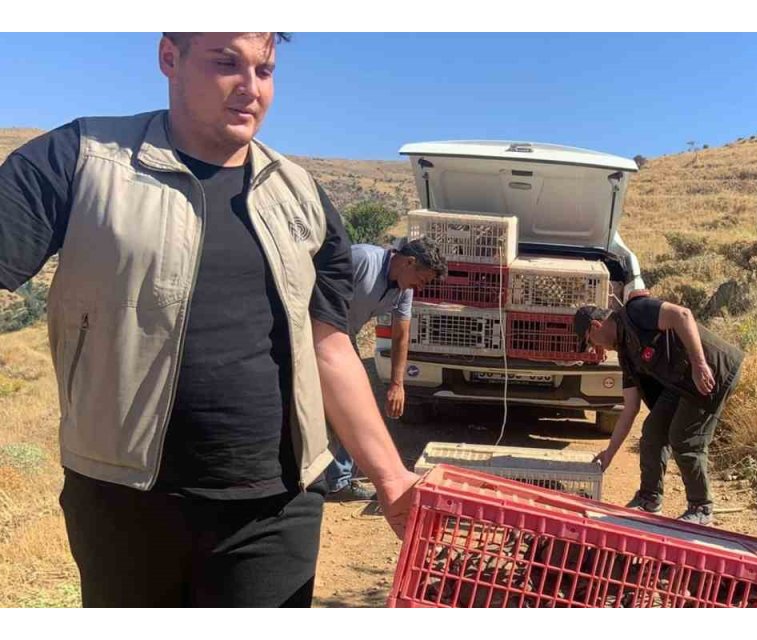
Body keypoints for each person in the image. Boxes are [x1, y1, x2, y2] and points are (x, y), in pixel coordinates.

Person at [0, 32, 420, 607]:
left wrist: (392, 480)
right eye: (227, 64)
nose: (250, 88)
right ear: (169, 58)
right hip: (123, 500)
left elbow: (329, 344)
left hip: (276, 506)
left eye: (265, 70)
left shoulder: (299, 195)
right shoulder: (82, 159)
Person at [575, 295, 744, 525]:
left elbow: (682, 315)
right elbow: (630, 408)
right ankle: (649, 499)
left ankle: (701, 507)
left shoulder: (635, 312)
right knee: (653, 432)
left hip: (712, 370)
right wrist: (609, 454)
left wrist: (699, 363)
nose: (596, 349)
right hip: (682, 382)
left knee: (684, 438)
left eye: (591, 342)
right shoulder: (626, 355)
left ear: (596, 326)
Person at [325, 237, 445, 501]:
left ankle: (338, 481)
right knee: (326, 403)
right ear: (409, 262)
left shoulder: (404, 290)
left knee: (350, 404)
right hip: (316, 332)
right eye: (422, 279)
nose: (420, 287)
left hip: (344, 337)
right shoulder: (363, 260)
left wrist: (397, 384)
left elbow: (401, 336)